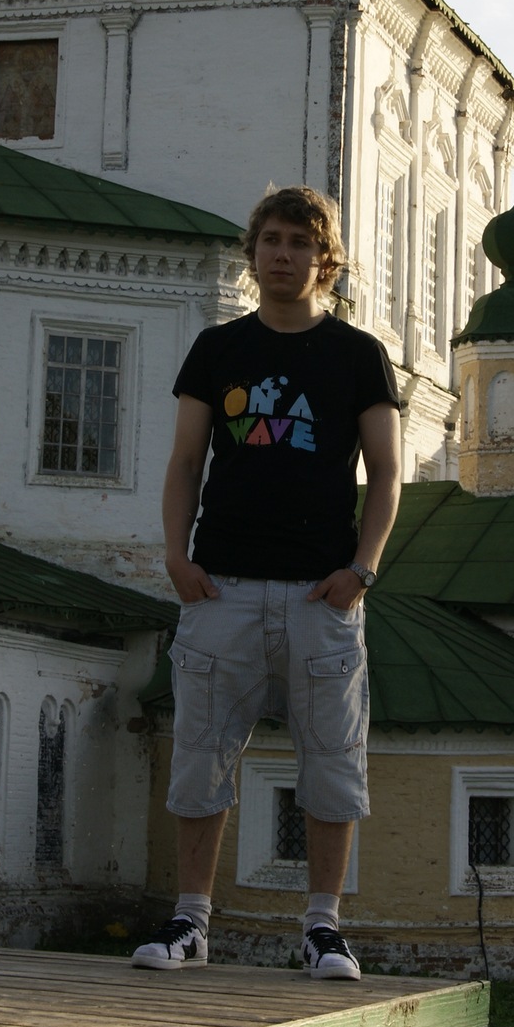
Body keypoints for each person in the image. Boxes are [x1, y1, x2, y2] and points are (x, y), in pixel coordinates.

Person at [132, 185, 402, 979]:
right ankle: (190, 922)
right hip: (221, 587)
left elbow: (386, 473)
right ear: (253, 253)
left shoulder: (357, 355)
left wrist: (361, 569)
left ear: (325, 260)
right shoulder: (218, 349)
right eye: (271, 240)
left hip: (321, 595)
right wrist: (176, 556)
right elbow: (186, 461)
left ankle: (322, 929)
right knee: (200, 758)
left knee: (332, 763)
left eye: (299, 243)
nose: (282, 255)